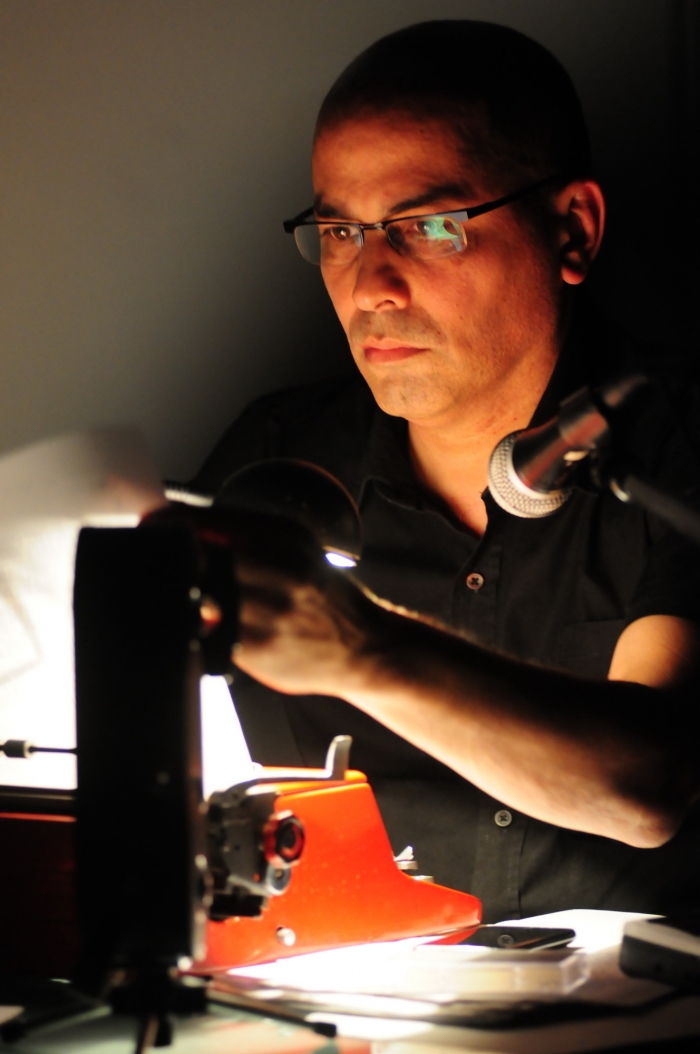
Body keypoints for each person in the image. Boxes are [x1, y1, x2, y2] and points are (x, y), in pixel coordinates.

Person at [192, 21, 700, 921]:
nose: (370, 285)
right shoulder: (275, 457)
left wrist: (359, 649)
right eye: (340, 230)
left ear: (572, 230)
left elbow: (646, 786)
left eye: (430, 227)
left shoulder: (671, 451)